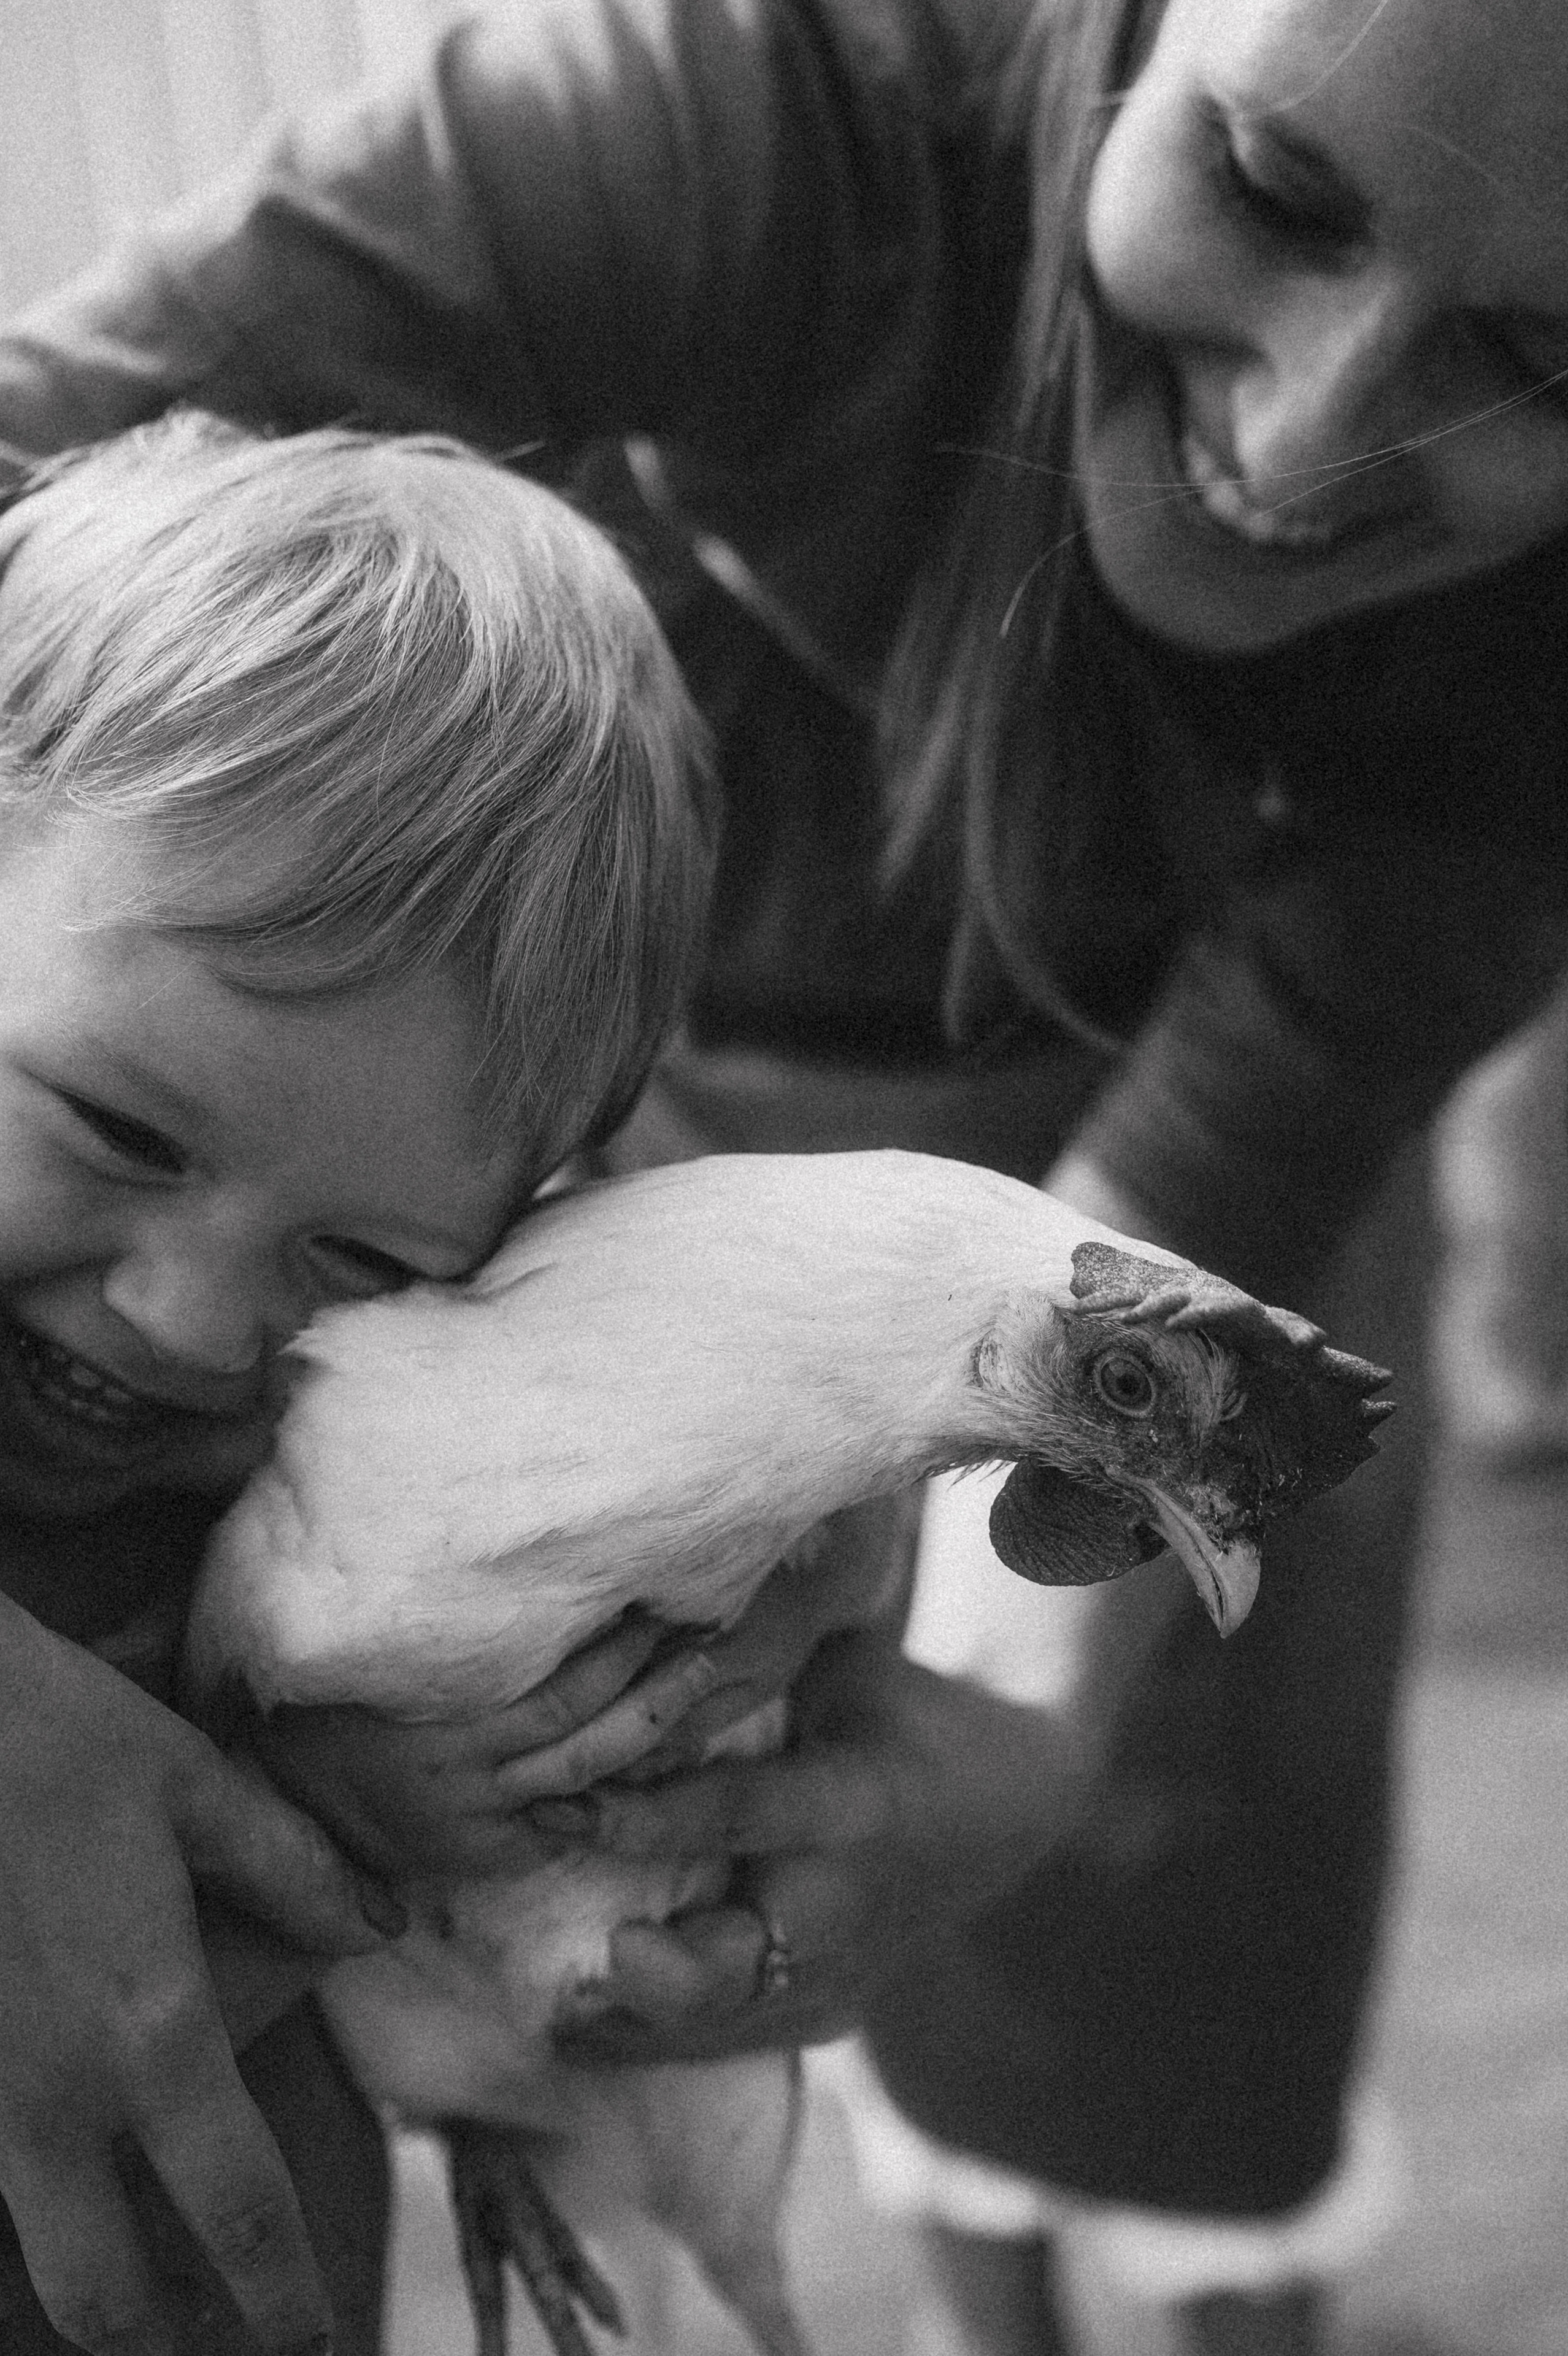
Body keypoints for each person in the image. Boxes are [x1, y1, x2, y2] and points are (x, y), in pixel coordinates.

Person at [4, 0, 1568, 2348]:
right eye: (1273, 181)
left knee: (1163, 1871)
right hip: (488, 1111)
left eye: (1544, 352)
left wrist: (1016, 1750)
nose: (1315, 422)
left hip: (977, 1176)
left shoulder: (1528, 697)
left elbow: (1225, 1187)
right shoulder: (710, 120)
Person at [0, 410, 718, 2355]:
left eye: (367, 1262)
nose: (187, 1318)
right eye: (120, 1132)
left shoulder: (338, 1479)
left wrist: (331, 1799)